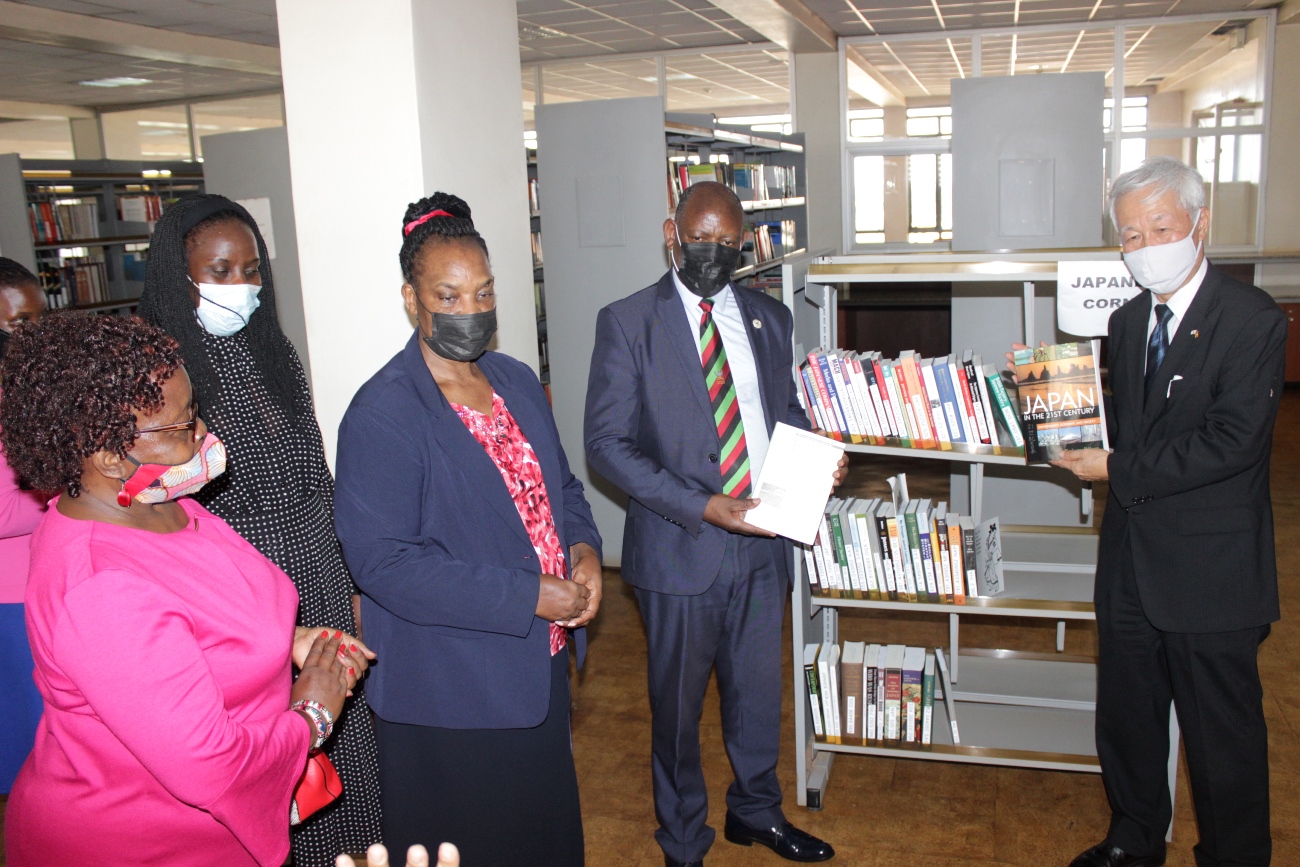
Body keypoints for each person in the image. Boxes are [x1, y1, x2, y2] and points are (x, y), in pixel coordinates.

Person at [0, 312, 372, 866]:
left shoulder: (157, 505)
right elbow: (212, 766)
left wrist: (285, 639)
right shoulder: (101, 588)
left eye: (194, 411)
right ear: (107, 455)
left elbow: (209, 607)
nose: (201, 434)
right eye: (180, 427)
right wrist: (313, 713)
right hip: (135, 842)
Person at [334, 192, 603, 867]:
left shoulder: (514, 378)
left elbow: (560, 487)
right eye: (448, 296)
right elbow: (385, 564)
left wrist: (584, 549)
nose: (470, 310)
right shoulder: (383, 413)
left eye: (482, 293)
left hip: (534, 668)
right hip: (450, 695)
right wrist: (528, 595)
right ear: (411, 299)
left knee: (543, 840)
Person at [585, 181, 844, 867]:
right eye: (701, 239)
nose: (713, 253)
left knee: (758, 694)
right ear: (671, 233)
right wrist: (702, 503)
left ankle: (756, 811)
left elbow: (781, 411)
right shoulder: (628, 321)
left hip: (762, 542)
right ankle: (682, 838)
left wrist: (817, 456)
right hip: (680, 548)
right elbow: (607, 444)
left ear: (744, 242)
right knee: (676, 710)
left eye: (727, 243)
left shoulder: (767, 316)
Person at [1045, 156, 1285, 867]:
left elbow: (1232, 442)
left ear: (1199, 224)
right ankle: (1133, 835)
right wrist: (1061, 419)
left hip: (1210, 570)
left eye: (1159, 227)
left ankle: (1235, 856)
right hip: (1128, 563)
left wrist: (1113, 466)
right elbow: (1128, 423)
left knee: (1222, 736)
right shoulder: (1124, 321)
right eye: (1128, 235)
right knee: (1128, 717)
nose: (1144, 246)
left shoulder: (1251, 319)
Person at [138, 194, 382, 864]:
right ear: (177, 277)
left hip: (319, 568)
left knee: (343, 722)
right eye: (220, 272)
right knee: (276, 733)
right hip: (243, 584)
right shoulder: (162, 379)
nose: (240, 286)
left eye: (251, 270)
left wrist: (350, 573)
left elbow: (317, 466)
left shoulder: (275, 354)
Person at [0, 257, 47, 793]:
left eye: (38, 320)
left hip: (43, 580)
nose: (32, 336)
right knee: (29, 741)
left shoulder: (27, 388)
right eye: (19, 325)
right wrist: (65, 490)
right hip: (11, 599)